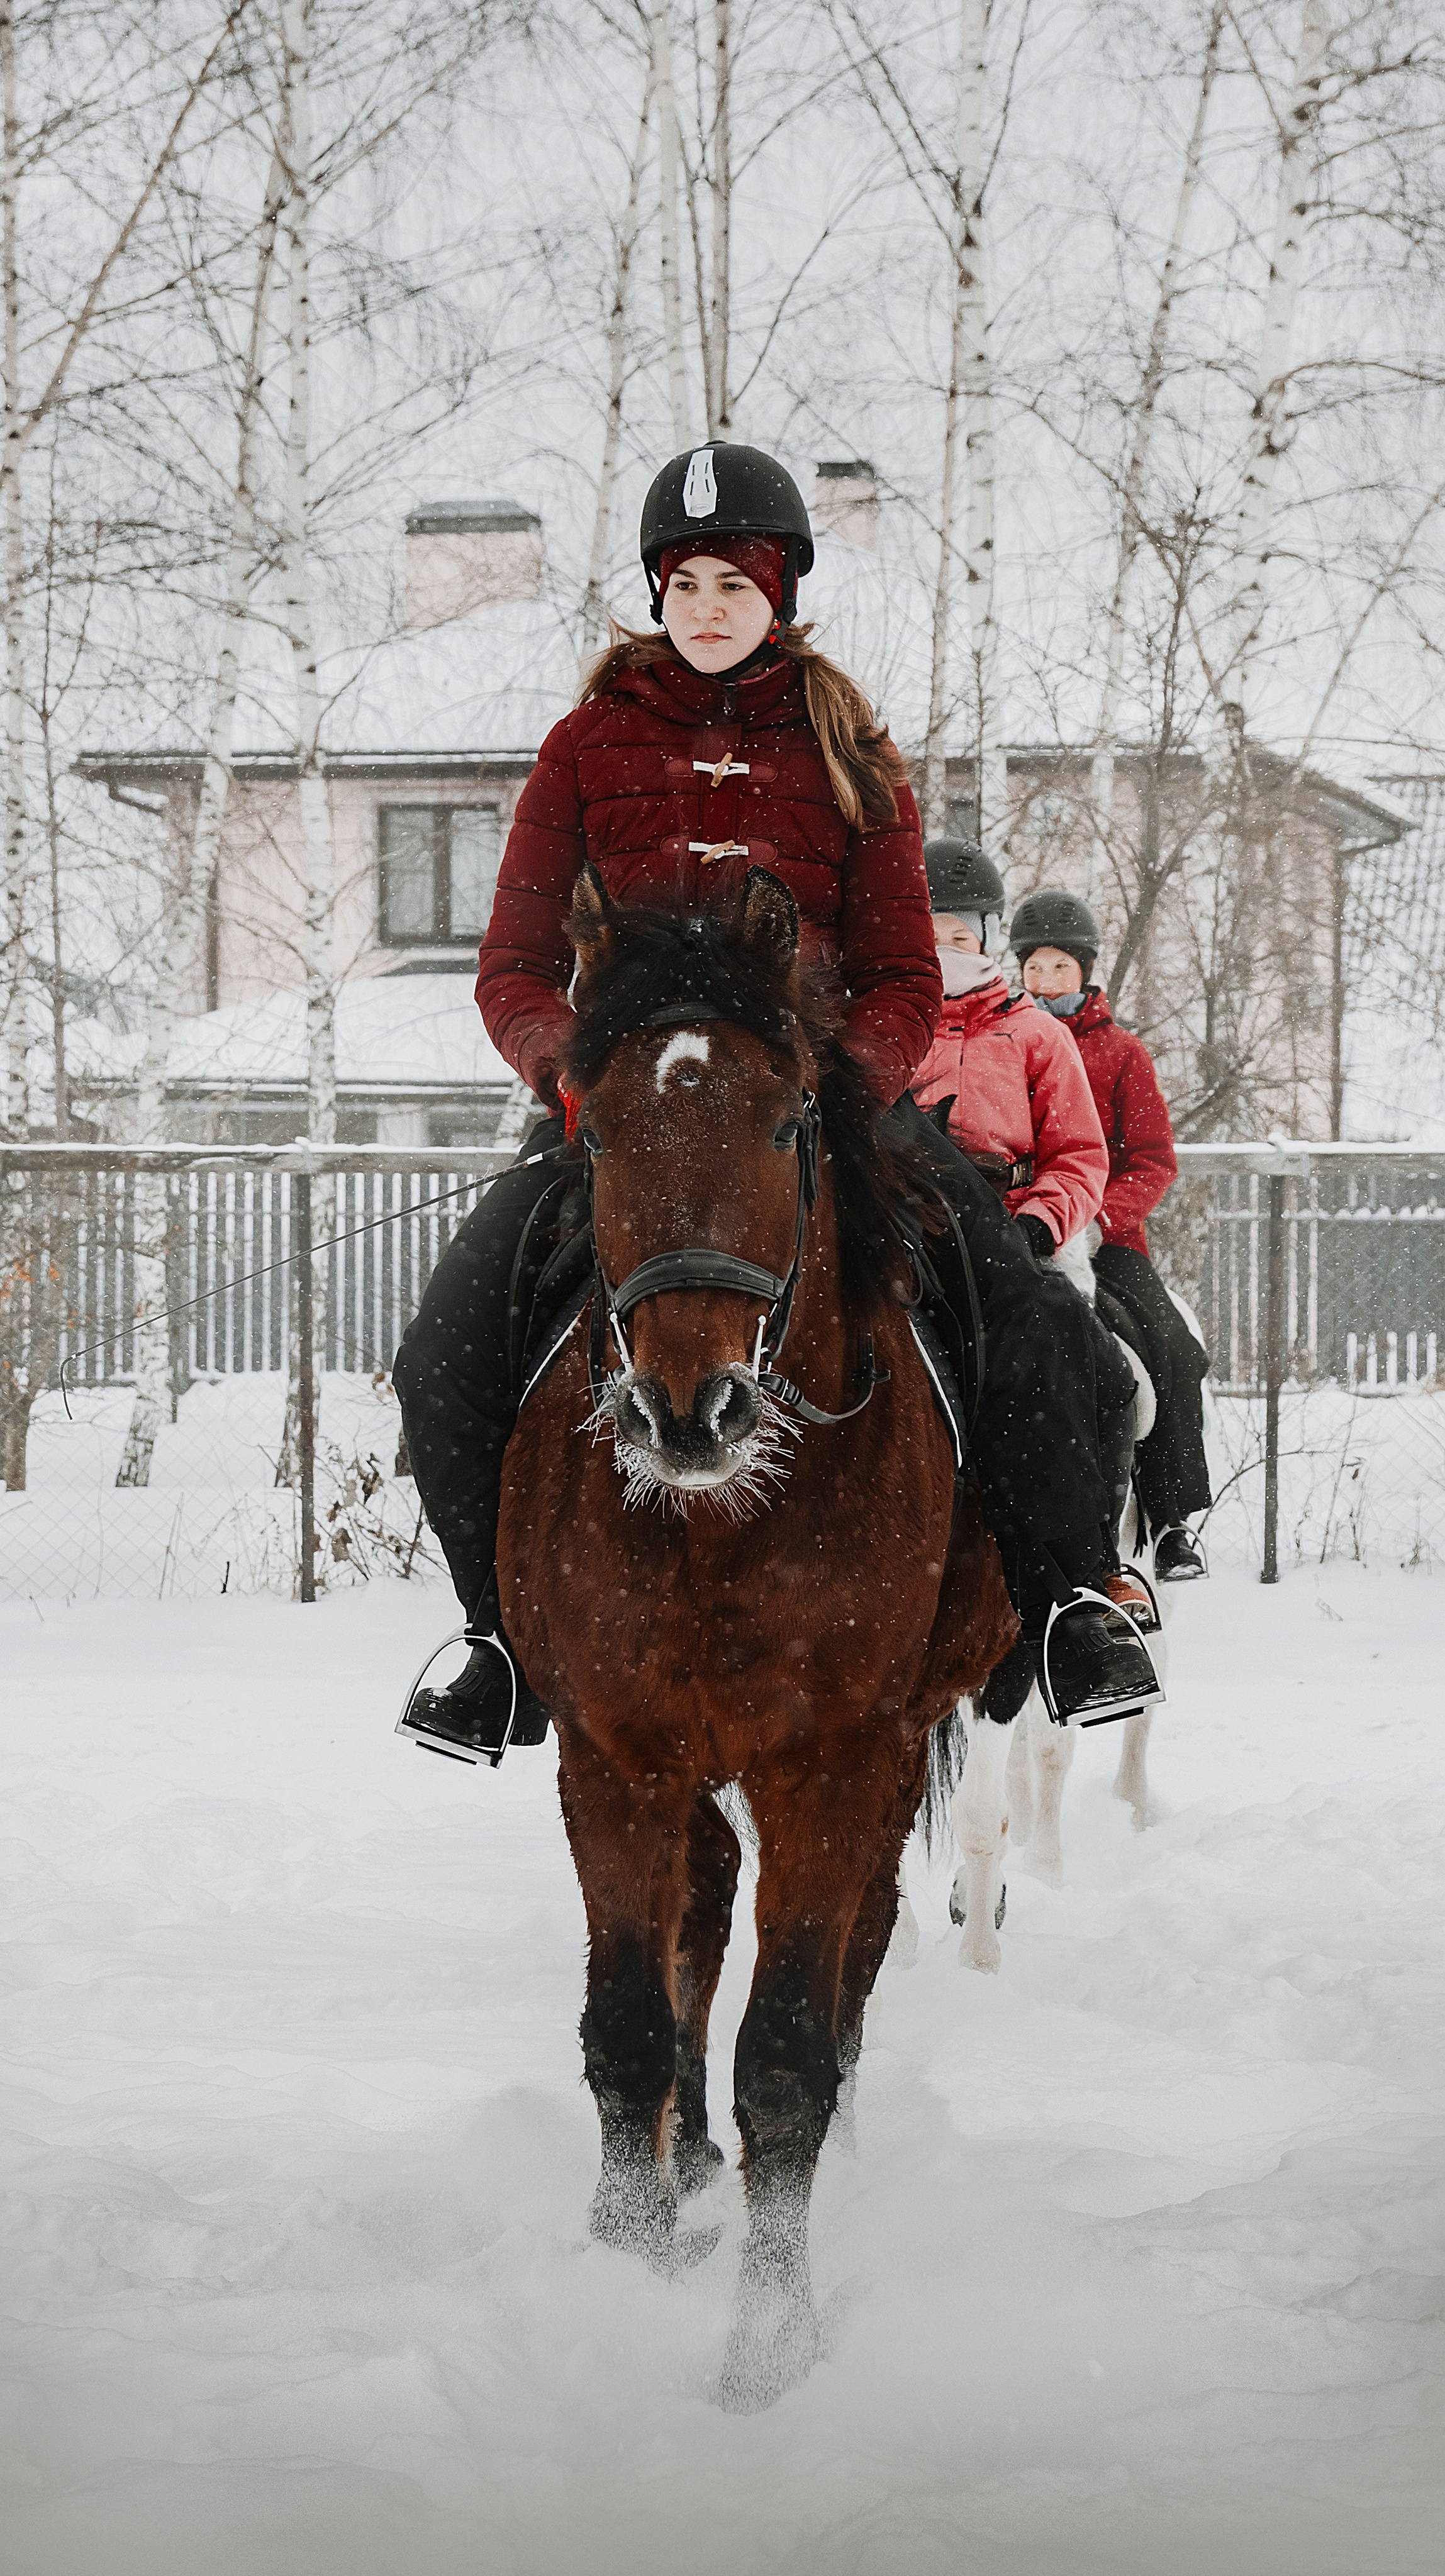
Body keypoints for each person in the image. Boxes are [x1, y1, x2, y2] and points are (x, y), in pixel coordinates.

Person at [392, 441, 1158, 1760]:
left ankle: (1067, 1602)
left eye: (733, 584)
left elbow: (904, 975)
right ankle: (493, 1643)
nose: (706, 607)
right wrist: (574, 1070)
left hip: (821, 1107)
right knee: (443, 1346)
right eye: (684, 583)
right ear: (657, 590)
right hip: (616, 1119)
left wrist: (836, 1084)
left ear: (779, 591)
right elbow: (512, 964)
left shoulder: (850, 748)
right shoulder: (582, 745)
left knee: (1030, 1315)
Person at [912, 838, 1156, 1626]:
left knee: (1087, 1362)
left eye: (960, 934)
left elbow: (1079, 1155)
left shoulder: (1035, 1035)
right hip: (901, 1229)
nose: (945, 950)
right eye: (928, 934)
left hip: (1011, 1234)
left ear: (988, 936)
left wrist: (1038, 1222)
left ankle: (1085, 1578)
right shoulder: (879, 1030)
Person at [1010, 887, 1211, 1579]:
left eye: (1058, 968)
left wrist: (1098, 1221)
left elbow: (1152, 1161)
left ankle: (1172, 1520)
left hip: (1106, 1241)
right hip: (1016, 1232)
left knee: (1170, 1348)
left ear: (1085, 971)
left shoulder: (1121, 1054)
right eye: (1033, 968)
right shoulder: (1007, 1043)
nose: (1044, 982)